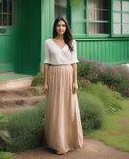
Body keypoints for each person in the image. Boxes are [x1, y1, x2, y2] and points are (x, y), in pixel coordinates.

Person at [44, 17, 83, 155]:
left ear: (66, 27)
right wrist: (46, 82)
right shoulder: (48, 43)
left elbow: (74, 63)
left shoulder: (72, 42)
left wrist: (75, 81)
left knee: (68, 107)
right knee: (56, 108)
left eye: (63, 25)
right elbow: (47, 63)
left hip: (68, 74)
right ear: (55, 27)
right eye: (58, 25)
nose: (61, 28)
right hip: (54, 75)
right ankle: (57, 143)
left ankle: (70, 142)